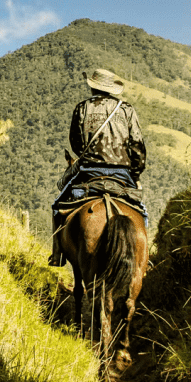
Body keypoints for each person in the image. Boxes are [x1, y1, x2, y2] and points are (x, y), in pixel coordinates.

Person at [49, 68, 147, 266]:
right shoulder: (126, 109)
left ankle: (57, 254)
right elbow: (137, 146)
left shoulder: (82, 108)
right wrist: (135, 172)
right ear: (111, 88)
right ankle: (144, 258)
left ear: (92, 86)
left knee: (57, 207)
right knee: (142, 211)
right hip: (122, 173)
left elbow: (76, 143)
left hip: (89, 171)